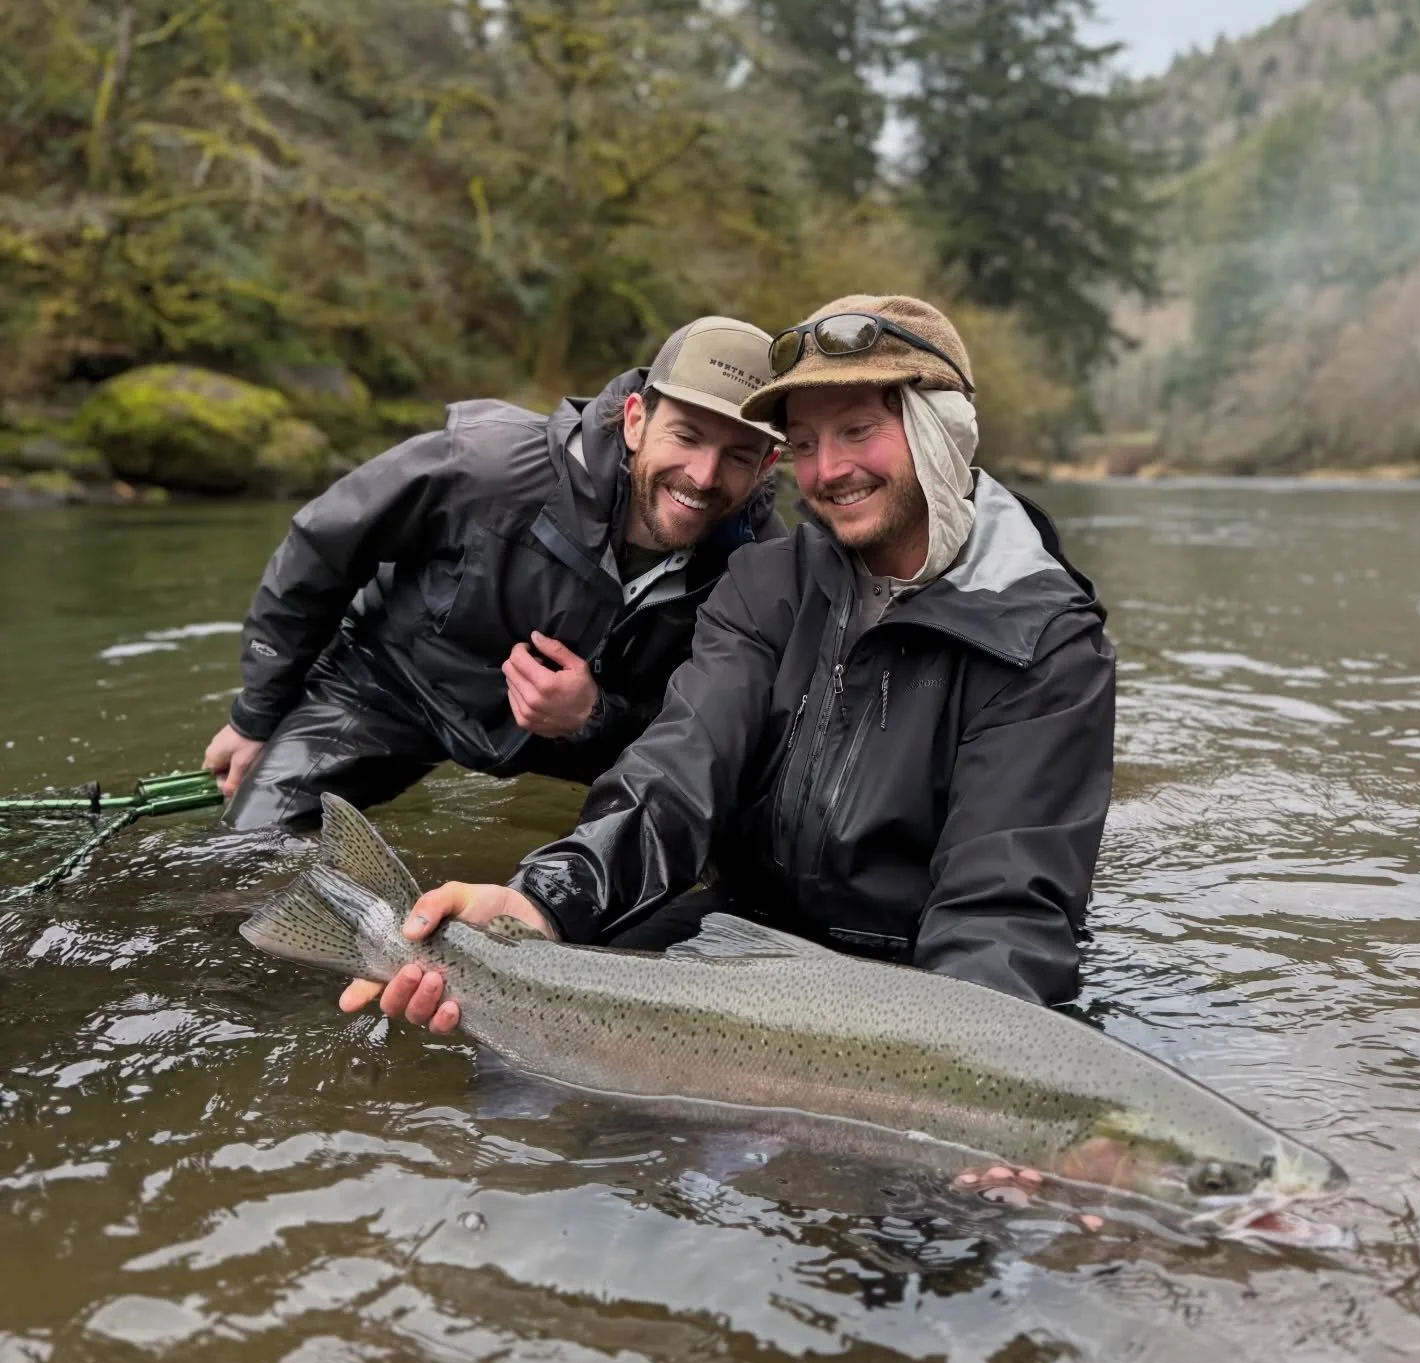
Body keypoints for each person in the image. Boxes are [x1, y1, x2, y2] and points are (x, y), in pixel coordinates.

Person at [341, 293, 1116, 1030]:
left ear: (942, 431)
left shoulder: (1047, 639)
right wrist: (540, 902)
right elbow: (679, 770)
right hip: (740, 930)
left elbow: (1004, 910)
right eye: (805, 444)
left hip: (918, 974)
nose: (828, 471)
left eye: (857, 430)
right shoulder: (766, 583)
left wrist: (975, 1079)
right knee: (546, 1109)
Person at [205, 317, 784, 830]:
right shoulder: (484, 467)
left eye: (739, 455)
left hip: (598, 737)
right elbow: (321, 551)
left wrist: (596, 716)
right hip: (394, 689)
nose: (704, 476)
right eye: (687, 436)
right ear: (636, 421)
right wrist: (256, 717)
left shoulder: (765, 569)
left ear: (769, 464)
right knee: (247, 856)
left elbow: (718, 728)